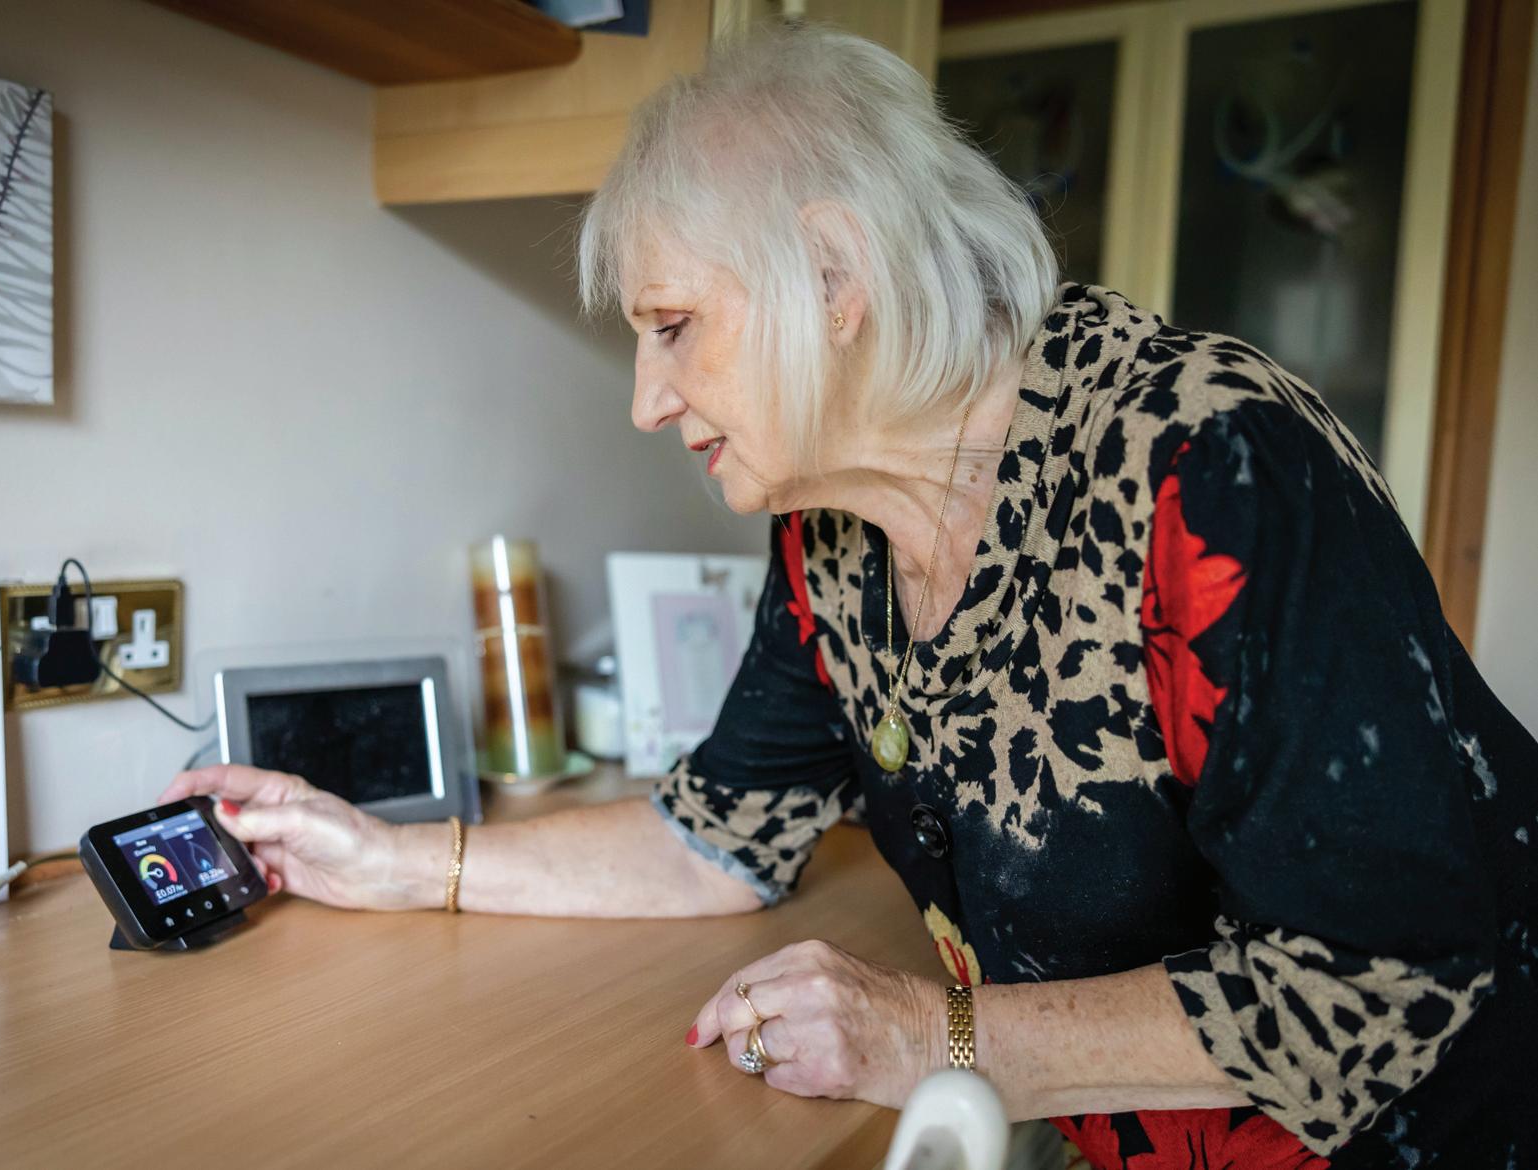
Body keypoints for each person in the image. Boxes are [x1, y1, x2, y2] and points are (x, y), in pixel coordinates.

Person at [162, 24, 1538, 1169]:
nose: (647, 401)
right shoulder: (832, 537)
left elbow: (1377, 977)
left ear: (832, 275)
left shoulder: (1209, 463)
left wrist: (928, 1031)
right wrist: (397, 862)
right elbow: (720, 838)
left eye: (672, 328)